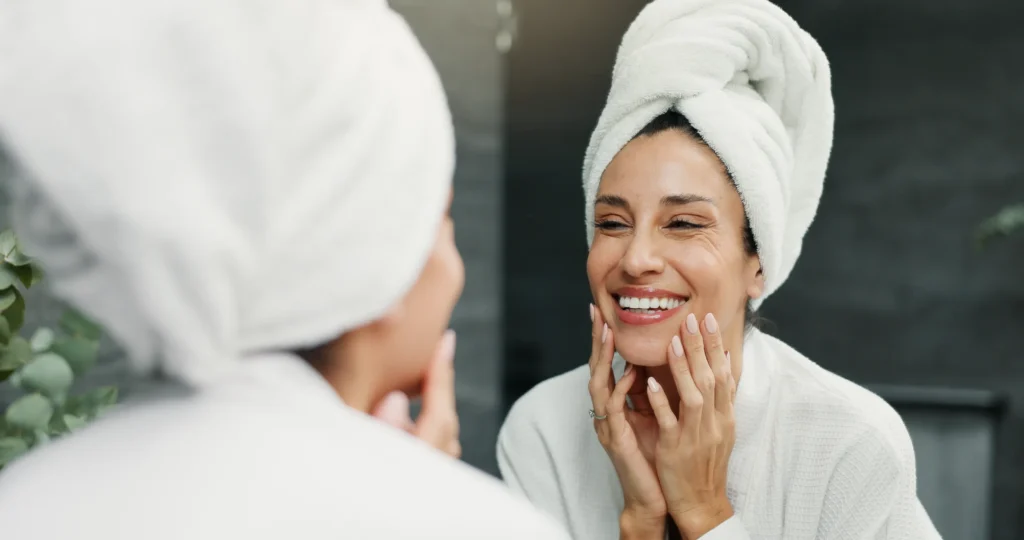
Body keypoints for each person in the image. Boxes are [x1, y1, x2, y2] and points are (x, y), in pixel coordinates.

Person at [0, 1, 570, 539]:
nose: (453, 266)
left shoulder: (23, 504)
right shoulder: (476, 527)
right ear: (374, 260)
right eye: (439, 221)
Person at [496, 1, 942, 539]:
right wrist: (641, 522)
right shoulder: (542, 431)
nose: (636, 259)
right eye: (612, 223)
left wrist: (707, 513)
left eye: (682, 223)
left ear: (758, 263)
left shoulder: (849, 443)